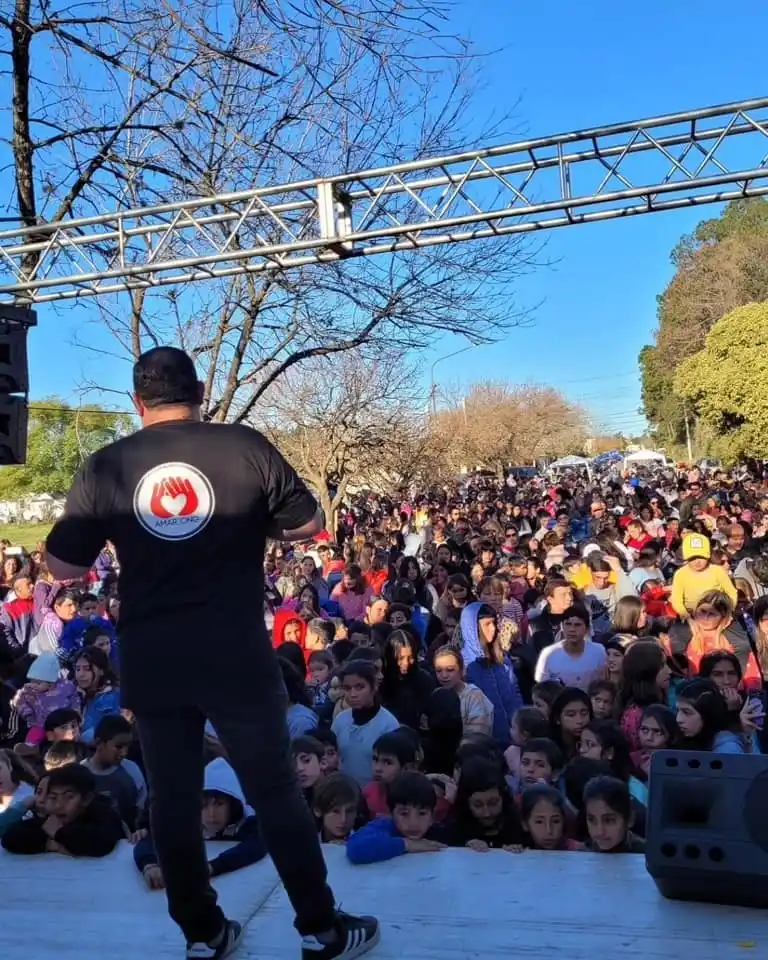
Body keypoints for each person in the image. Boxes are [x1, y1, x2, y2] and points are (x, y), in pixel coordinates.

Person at [44, 346, 378, 960]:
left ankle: (203, 933)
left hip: (153, 655)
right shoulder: (244, 446)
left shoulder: (105, 467)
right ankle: (322, 929)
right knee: (275, 790)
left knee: (171, 796)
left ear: (137, 402)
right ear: (199, 396)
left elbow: (64, 566)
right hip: (234, 651)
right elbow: (308, 526)